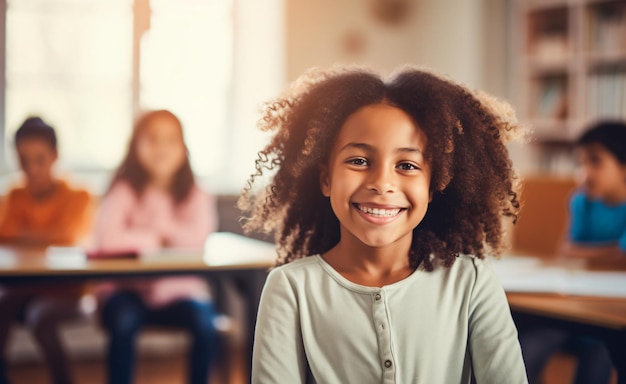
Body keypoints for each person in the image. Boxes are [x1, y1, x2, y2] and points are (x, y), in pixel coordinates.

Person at [240, 65, 528, 383]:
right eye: (359, 161)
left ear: (433, 186)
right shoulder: (291, 288)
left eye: (406, 165)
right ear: (326, 178)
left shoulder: (472, 282)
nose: (382, 183)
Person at [92, 109, 219, 384]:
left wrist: (156, 233)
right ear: (135, 145)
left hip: (180, 293)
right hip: (126, 291)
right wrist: (157, 240)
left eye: (170, 139)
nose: (161, 148)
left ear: (183, 148)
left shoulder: (197, 193)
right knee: (124, 322)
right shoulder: (123, 189)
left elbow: (199, 238)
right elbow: (108, 240)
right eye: (151, 139)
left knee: (205, 324)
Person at [519, 121, 625, 384]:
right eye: (581, 163)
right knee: (529, 342)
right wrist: (612, 251)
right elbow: (566, 250)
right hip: (574, 303)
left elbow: (619, 255)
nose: (584, 172)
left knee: (602, 349)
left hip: (611, 313)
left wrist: (587, 252)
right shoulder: (580, 200)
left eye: (595, 162)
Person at [0, 117, 93, 384]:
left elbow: (68, 239)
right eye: (23, 160)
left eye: (39, 159)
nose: (31, 169)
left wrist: (25, 237)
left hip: (66, 288)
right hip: (24, 286)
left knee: (39, 317)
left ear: (55, 156)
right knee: (3, 303)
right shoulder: (16, 195)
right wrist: (43, 238)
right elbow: (4, 237)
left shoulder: (78, 196)